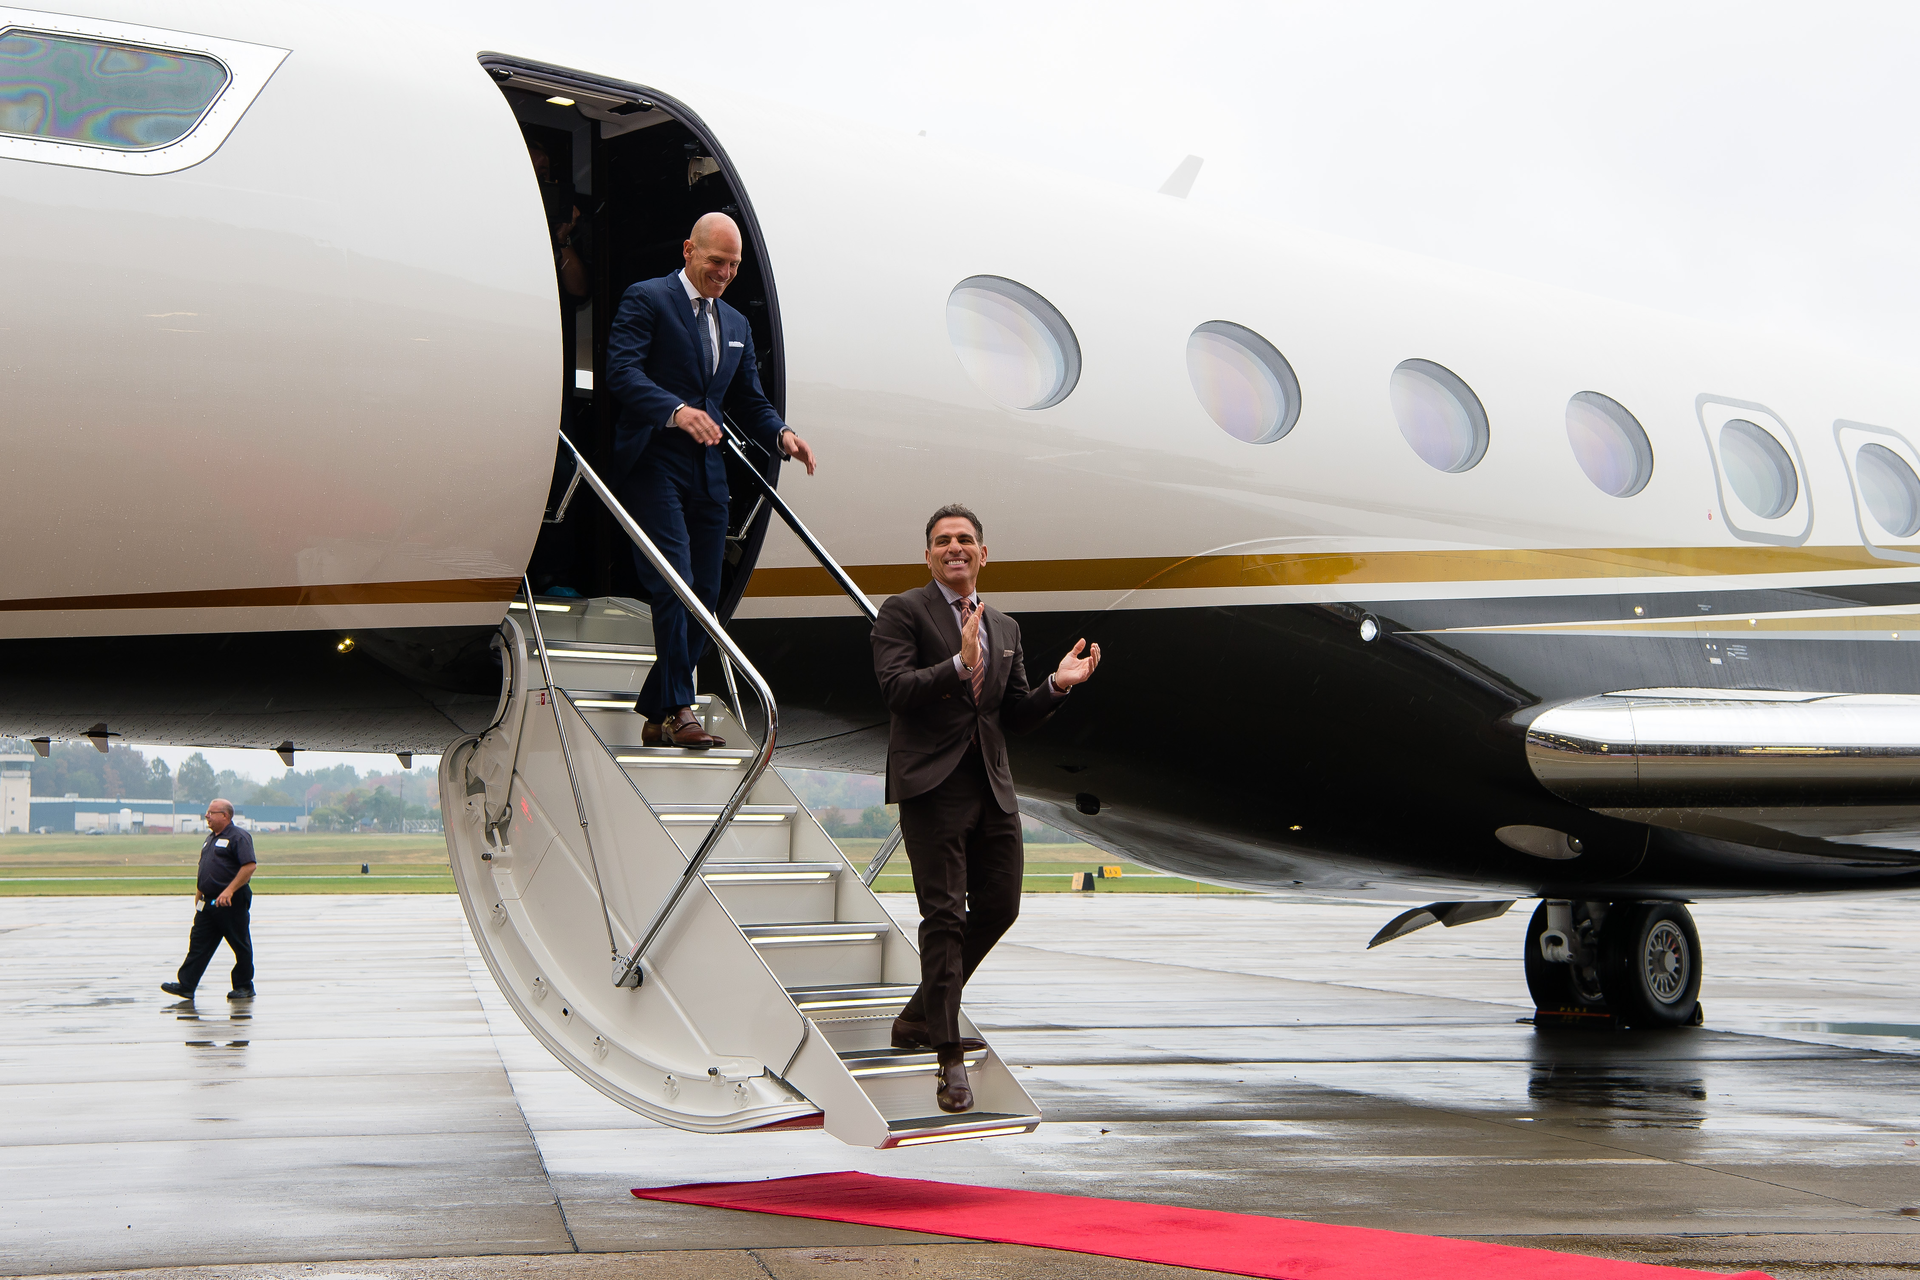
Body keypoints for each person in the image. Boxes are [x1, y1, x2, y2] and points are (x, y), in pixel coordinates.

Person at [870, 505, 1101, 1112]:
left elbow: (1013, 713)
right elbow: (895, 690)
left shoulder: (1005, 626)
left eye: (965, 540)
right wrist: (957, 664)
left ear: (983, 553)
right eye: (943, 541)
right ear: (927, 556)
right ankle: (948, 1060)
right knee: (943, 916)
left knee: (1000, 905)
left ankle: (920, 1014)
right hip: (932, 784)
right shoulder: (902, 612)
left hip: (992, 784)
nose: (955, 548)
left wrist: (1057, 685)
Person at [605, 212, 818, 747]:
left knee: (708, 590)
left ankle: (657, 708)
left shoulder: (737, 325)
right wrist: (675, 410)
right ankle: (680, 708)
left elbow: (747, 398)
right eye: (716, 261)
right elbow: (622, 372)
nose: (724, 273)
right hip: (654, 459)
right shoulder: (648, 299)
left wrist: (781, 434)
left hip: (709, 468)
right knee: (673, 581)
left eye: (733, 266)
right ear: (688, 251)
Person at [160, 799, 257, 1001]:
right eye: (207, 813)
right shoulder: (210, 838)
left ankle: (244, 986)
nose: (207, 816)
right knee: (198, 943)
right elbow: (205, 866)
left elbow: (249, 866)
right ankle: (186, 985)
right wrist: (199, 892)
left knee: (240, 944)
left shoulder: (239, 837)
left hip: (231, 901)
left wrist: (229, 891)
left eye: (212, 813)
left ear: (225, 816)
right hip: (208, 902)